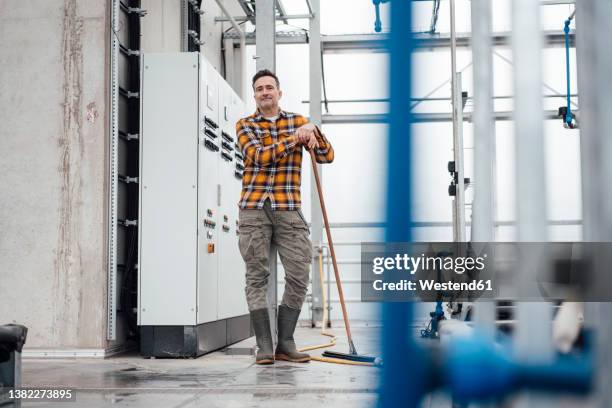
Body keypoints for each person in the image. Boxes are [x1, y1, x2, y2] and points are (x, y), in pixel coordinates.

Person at [236, 69, 334, 365]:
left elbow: (326, 156)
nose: (265, 92)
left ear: (279, 92)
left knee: (299, 274)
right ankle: (264, 345)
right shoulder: (245, 125)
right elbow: (259, 156)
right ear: (255, 95)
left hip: (288, 207)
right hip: (253, 209)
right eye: (259, 89)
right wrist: (295, 139)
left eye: (270, 87)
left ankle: (286, 342)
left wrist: (314, 131)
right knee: (257, 276)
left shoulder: (299, 122)